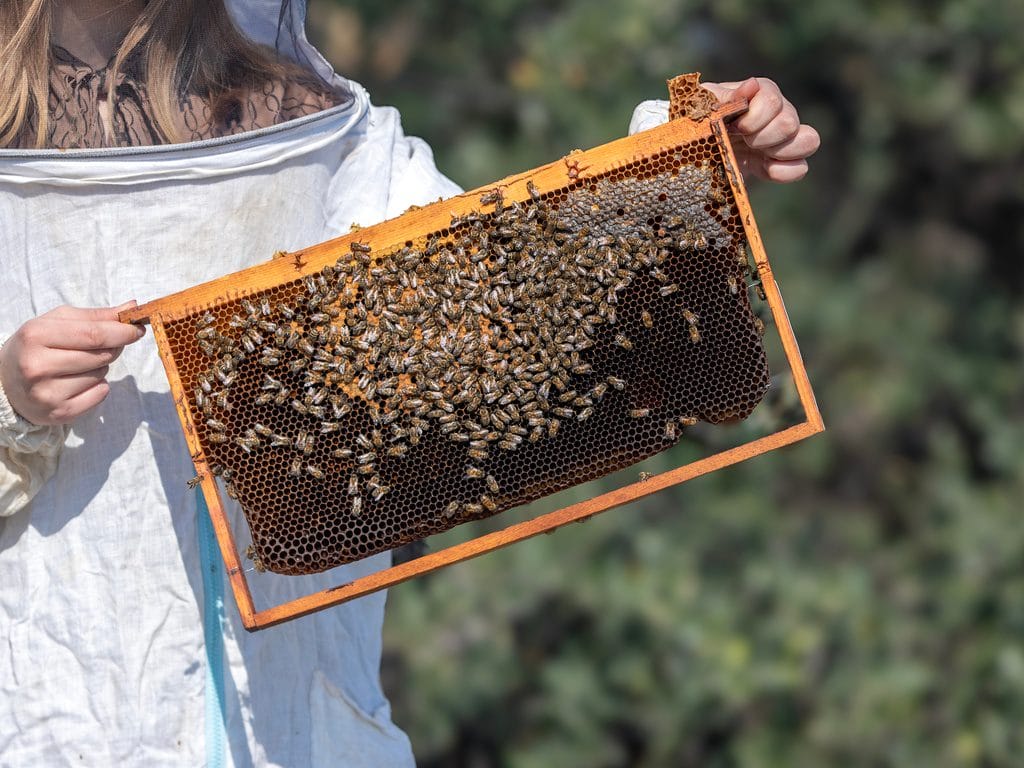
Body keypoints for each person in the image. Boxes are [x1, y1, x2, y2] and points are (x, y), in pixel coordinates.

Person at [0, 0, 820, 764]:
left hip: (298, 723)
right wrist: (8, 395)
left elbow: (509, 301)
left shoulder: (308, 121)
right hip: (57, 706)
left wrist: (677, 164)